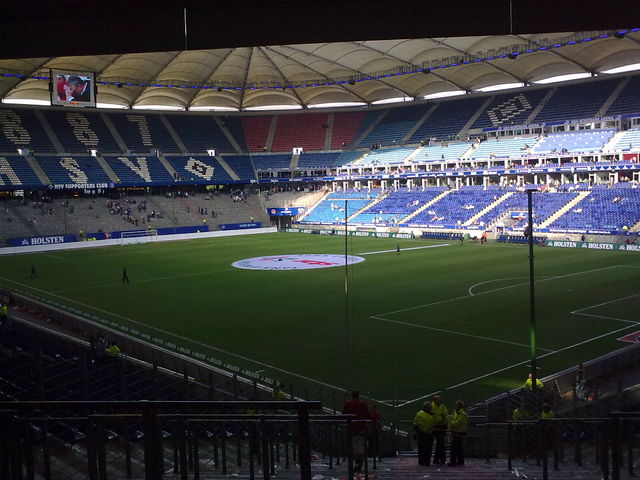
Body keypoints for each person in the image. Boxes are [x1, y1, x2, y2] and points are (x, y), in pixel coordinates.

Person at [342, 390, 371, 472]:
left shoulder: (347, 404)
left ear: (352, 396)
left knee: (353, 447)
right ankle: (359, 463)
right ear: (358, 395)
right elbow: (368, 415)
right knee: (361, 448)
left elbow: (344, 414)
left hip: (351, 429)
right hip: (361, 429)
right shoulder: (363, 404)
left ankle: (357, 462)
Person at [448, 400, 468, 466]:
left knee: (454, 449)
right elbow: (452, 420)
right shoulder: (456, 412)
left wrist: (451, 423)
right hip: (456, 432)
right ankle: (460, 461)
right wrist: (452, 422)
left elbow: (456, 423)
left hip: (458, 433)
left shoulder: (462, 414)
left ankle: (453, 462)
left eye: (456, 405)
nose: (455, 406)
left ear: (459, 406)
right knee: (459, 448)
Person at [430, 395, 448, 464]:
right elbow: (433, 418)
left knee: (442, 444)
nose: (440, 401)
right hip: (436, 427)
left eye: (440, 400)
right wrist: (441, 418)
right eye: (439, 400)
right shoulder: (432, 407)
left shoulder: (442, 406)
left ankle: (441, 459)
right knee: (440, 443)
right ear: (435, 400)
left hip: (442, 426)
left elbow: (446, 414)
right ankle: (437, 459)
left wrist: (443, 418)